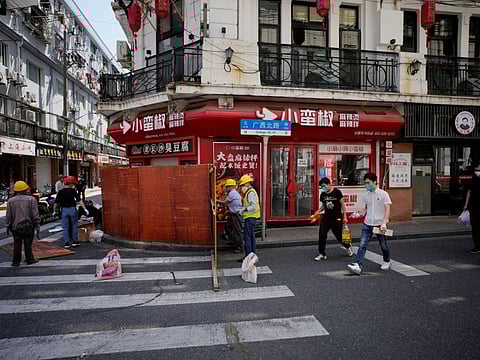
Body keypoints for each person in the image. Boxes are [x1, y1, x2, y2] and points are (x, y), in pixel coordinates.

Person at [348, 172, 392, 275]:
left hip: (379, 224)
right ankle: (358, 265)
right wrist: (359, 214)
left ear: (374, 182)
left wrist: (384, 223)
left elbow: (388, 209)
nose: (366, 185)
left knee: (383, 244)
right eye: (365, 183)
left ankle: (387, 260)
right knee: (362, 244)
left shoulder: (383, 194)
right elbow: (366, 208)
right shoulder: (366, 195)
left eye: (368, 183)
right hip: (367, 223)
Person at [312, 177, 353, 261]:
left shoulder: (337, 192)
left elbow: (343, 205)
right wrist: (318, 212)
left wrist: (345, 216)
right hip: (326, 218)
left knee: (339, 236)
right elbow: (323, 206)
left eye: (324, 186)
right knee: (322, 235)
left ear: (329, 184)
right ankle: (322, 254)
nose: (323, 188)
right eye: (321, 187)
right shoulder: (323, 194)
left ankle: (348, 246)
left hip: (336, 218)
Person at [5, 181, 41, 266]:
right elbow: (35, 213)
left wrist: (8, 225)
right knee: (27, 244)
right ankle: (29, 259)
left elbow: (8, 215)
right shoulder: (31, 199)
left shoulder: (10, 201)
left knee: (17, 244)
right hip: (28, 225)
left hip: (16, 226)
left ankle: (15, 261)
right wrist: (37, 223)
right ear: (25, 189)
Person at [54, 176, 89, 248]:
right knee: (74, 226)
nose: (73, 185)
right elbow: (79, 200)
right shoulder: (73, 191)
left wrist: (54, 211)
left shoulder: (60, 192)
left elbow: (56, 203)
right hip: (72, 209)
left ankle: (67, 243)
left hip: (64, 210)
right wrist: (85, 208)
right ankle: (75, 241)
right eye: (73, 184)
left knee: (65, 227)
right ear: (70, 184)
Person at [216, 179, 243, 253]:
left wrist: (216, 201)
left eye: (227, 187)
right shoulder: (234, 193)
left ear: (231, 187)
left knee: (237, 230)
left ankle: (240, 246)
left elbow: (225, 203)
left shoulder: (232, 194)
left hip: (236, 215)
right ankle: (234, 241)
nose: (225, 188)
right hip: (233, 214)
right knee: (228, 227)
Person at [239, 174, 260, 260]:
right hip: (251, 218)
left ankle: (248, 256)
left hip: (250, 217)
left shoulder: (251, 193)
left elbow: (253, 206)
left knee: (247, 237)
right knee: (251, 237)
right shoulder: (249, 192)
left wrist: (244, 210)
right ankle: (252, 255)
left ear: (247, 184)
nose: (242, 187)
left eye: (243, 185)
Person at [463, 163, 480, 254]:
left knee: (475, 227)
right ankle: (477, 246)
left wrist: (466, 205)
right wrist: (466, 205)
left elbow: (469, 192)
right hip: (474, 205)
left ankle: (477, 246)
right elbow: (469, 192)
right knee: (475, 226)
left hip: (474, 205)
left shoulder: (472, 179)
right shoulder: (472, 179)